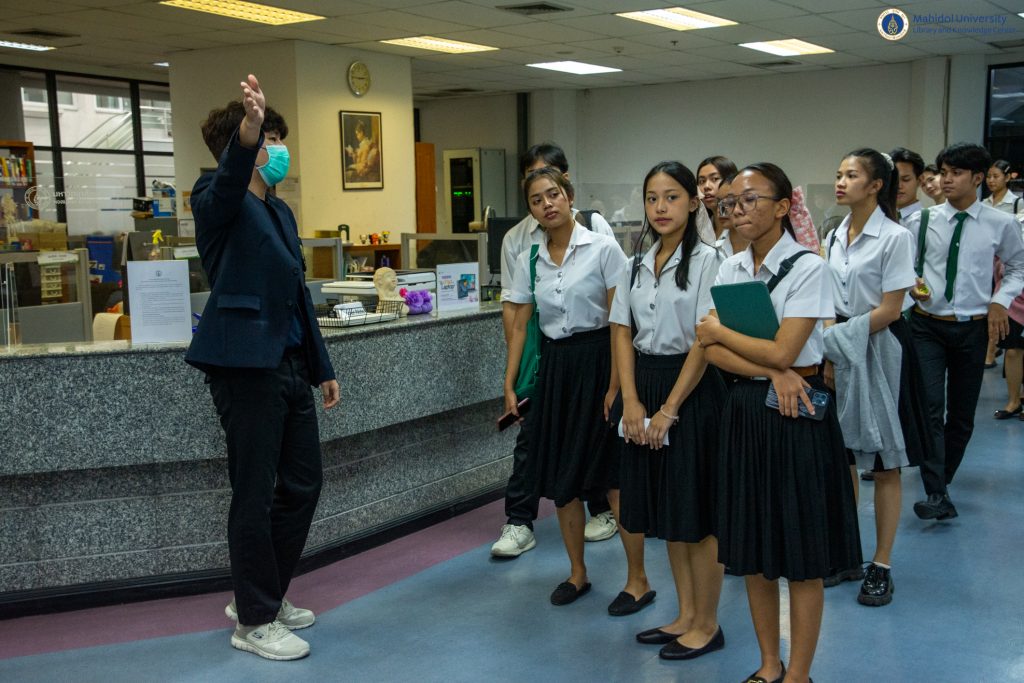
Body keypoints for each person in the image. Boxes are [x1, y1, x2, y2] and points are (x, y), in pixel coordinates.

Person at [186, 75, 340, 661]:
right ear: (242, 146)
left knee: (303, 484)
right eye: (268, 139)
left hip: (291, 363)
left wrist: (321, 365)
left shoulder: (279, 211)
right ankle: (253, 619)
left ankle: (262, 594)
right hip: (244, 367)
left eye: (275, 137)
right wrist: (247, 133)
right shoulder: (215, 197)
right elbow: (228, 183)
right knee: (253, 492)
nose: (278, 149)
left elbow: (298, 293)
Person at [696, 163, 861, 683]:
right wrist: (770, 370)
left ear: (784, 206)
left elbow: (785, 349)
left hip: (797, 411)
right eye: (731, 203)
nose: (737, 210)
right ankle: (770, 664)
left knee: (801, 554)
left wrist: (726, 336)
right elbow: (709, 352)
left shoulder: (809, 267)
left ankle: (799, 674)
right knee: (753, 551)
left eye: (750, 200)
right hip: (748, 409)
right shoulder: (730, 267)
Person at [611, 162, 727, 659]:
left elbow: (705, 341)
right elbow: (621, 329)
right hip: (647, 379)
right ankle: (685, 614)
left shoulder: (710, 261)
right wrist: (631, 399)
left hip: (692, 389)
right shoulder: (635, 262)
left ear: (694, 202)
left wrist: (669, 409)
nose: (660, 207)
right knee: (670, 514)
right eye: (652, 198)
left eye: (672, 197)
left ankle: (708, 624)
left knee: (697, 515)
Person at [503, 167, 627, 605]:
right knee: (562, 477)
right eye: (537, 200)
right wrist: (511, 383)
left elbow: (620, 321)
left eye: (553, 194)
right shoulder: (530, 257)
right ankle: (577, 574)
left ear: (569, 195)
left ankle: (637, 579)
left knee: (613, 476)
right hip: (556, 367)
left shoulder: (603, 248)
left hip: (599, 360)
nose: (547, 204)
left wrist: (616, 385)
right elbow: (521, 325)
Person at [823, 148, 926, 607]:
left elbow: (890, 309)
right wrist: (829, 347)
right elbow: (828, 298)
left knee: (885, 462)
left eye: (851, 175)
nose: (840, 181)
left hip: (882, 346)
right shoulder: (834, 234)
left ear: (876, 184)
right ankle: (847, 554)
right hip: (841, 343)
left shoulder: (895, 237)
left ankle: (881, 565)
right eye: (839, 174)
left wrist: (836, 338)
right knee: (842, 456)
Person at [905, 142, 1024, 520]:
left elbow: (1018, 267)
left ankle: (941, 481)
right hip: (926, 326)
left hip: (972, 330)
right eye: (943, 172)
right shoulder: (921, 221)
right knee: (929, 408)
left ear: (978, 178)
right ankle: (936, 491)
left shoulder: (1000, 223)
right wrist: (912, 285)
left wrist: (999, 301)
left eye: (956, 173)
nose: (946, 179)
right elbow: (905, 267)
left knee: (961, 416)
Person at [983, 160, 1020, 369]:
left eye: (996, 176)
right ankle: (991, 348)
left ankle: (991, 351)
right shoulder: (984, 203)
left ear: (1007, 178)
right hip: (986, 262)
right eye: (989, 176)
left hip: (1005, 264)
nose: (991, 180)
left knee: (999, 304)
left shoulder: (1016, 203)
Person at [712, 174, 749, 259]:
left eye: (730, 202)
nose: (721, 210)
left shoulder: (762, 247)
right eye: (719, 202)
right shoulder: (713, 250)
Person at [890, 147, 925, 222]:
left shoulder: (928, 221)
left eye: (905, 179)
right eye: (893, 180)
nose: (898, 186)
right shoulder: (883, 218)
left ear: (920, 180)